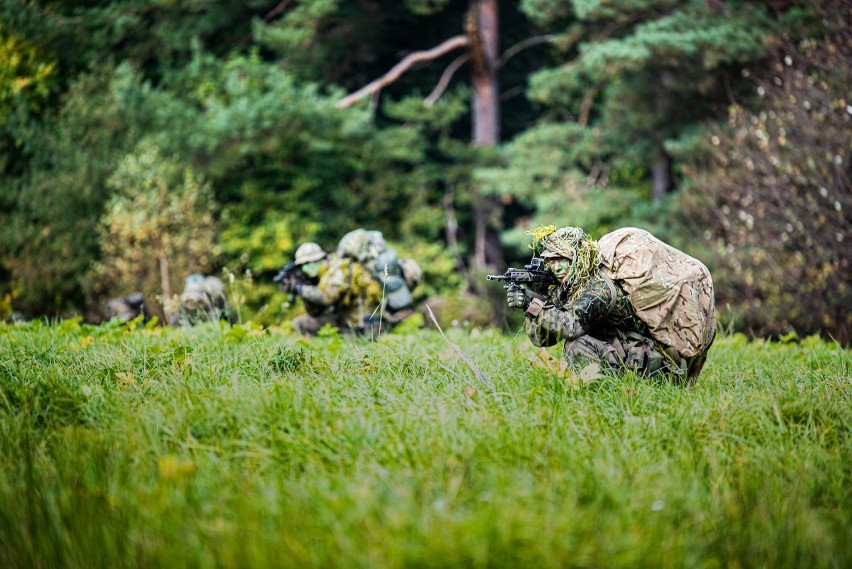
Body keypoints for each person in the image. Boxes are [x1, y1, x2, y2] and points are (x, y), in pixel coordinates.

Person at [507, 226, 715, 381]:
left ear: (577, 258)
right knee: (579, 342)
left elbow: (569, 327)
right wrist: (539, 298)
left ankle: (593, 392)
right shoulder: (570, 285)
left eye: (562, 259)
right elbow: (542, 340)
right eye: (551, 260)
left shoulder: (599, 288)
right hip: (630, 354)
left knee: (577, 344)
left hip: (656, 364)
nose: (556, 266)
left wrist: (530, 304)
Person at [171, 274, 236, 327]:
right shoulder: (183, 305)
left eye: (199, 301)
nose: (193, 303)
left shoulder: (214, 297)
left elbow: (227, 316)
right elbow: (175, 322)